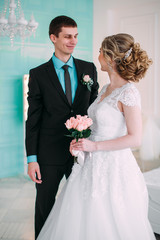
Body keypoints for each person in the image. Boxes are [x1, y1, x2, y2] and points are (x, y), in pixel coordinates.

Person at [37, 33, 156, 240]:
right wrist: (81, 142)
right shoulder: (105, 89)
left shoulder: (129, 92)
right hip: (90, 165)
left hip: (113, 167)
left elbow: (135, 138)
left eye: (101, 51)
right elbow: (98, 127)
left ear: (110, 58)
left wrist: (94, 147)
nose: (98, 55)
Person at [25, 15, 99, 239]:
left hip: (82, 152)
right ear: (53, 37)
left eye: (75, 36)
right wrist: (32, 159)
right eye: (67, 36)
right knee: (45, 207)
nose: (73, 41)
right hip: (49, 155)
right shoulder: (38, 74)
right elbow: (33, 119)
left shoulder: (89, 68)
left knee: (82, 204)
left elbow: (95, 109)